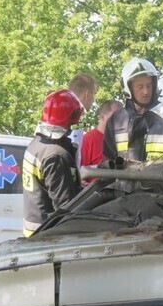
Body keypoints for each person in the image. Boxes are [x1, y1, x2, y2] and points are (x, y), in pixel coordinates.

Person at [22, 89, 84, 237]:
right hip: (47, 236)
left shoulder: (36, 145)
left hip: (33, 231)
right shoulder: (56, 156)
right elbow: (65, 206)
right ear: (69, 119)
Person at [103, 57, 161, 162]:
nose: (146, 91)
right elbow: (109, 160)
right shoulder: (116, 120)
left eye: (149, 86)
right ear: (128, 89)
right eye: (140, 87)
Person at [80, 99, 123, 180]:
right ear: (102, 117)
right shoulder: (87, 140)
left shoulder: (122, 141)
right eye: (116, 116)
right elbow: (80, 173)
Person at [67, 72, 97, 166]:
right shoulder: (74, 119)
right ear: (87, 94)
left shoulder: (64, 114)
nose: (94, 100)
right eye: (94, 94)